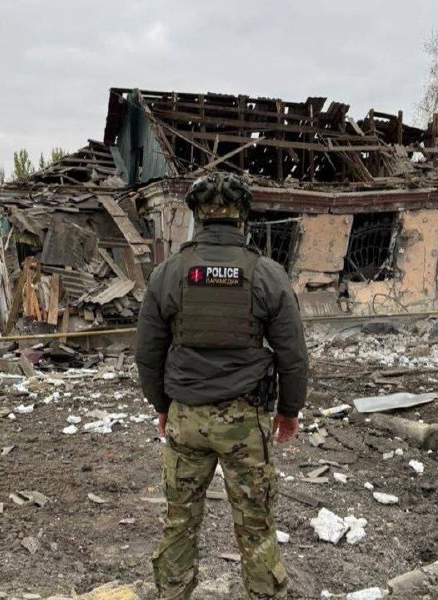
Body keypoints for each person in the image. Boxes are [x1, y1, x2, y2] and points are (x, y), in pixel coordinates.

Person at [135, 171, 308, 600]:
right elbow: (292, 354)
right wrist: (289, 412)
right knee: (256, 526)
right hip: (245, 424)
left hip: (186, 418)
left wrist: (161, 406)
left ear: (197, 216)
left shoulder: (168, 274)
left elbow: (148, 353)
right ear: (242, 217)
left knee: (179, 521)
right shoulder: (267, 274)